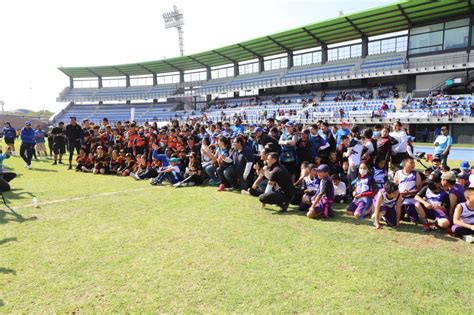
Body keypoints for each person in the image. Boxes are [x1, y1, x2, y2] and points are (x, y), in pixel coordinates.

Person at [393, 157, 422, 223]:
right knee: (397, 217)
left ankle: (413, 217)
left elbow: (419, 188)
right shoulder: (398, 173)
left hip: (411, 197)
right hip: (400, 197)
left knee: (414, 219)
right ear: (404, 163)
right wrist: (400, 193)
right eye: (411, 163)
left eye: (414, 163)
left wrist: (409, 192)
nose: (413, 165)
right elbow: (394, 186)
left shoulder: (416, 174)